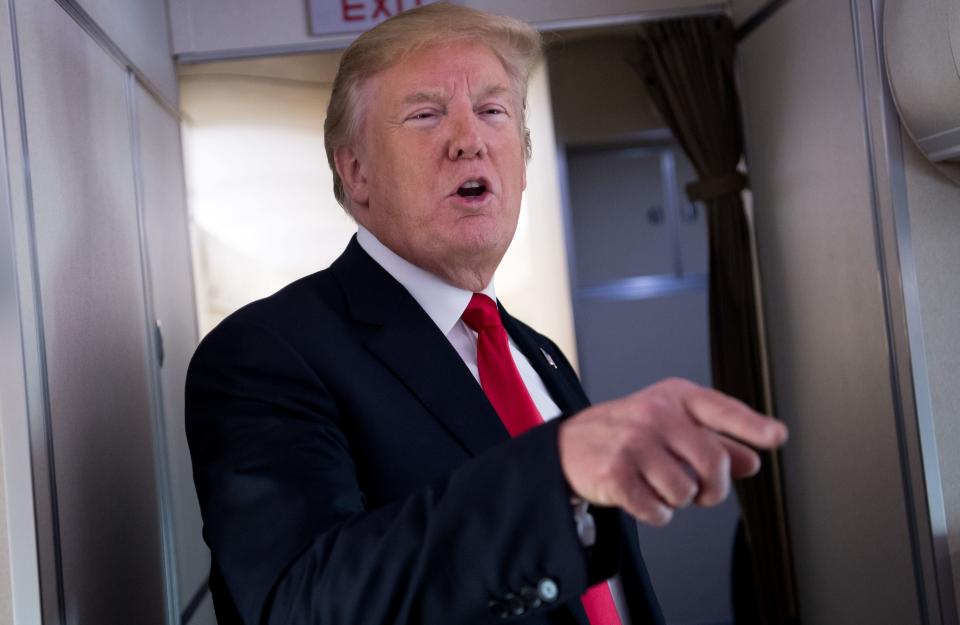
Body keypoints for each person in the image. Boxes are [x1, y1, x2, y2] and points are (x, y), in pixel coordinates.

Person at [185, 4, 788, 625]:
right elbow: (298, 605)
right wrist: (555, 470)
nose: (469, 139)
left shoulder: (539, 352)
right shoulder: (264, 352)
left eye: (494, 111)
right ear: (356, 171)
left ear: (523, 160)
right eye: (425, 115)